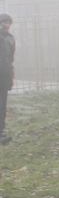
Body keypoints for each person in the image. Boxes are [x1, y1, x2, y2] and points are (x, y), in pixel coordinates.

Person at [0, 13, 15, 144]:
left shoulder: (10, 38)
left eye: (8, 22)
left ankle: (1, 131)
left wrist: (10, 74)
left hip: (4, 75)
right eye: (4, 22)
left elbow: (10, 58)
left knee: (2, 105)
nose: (7, 25)